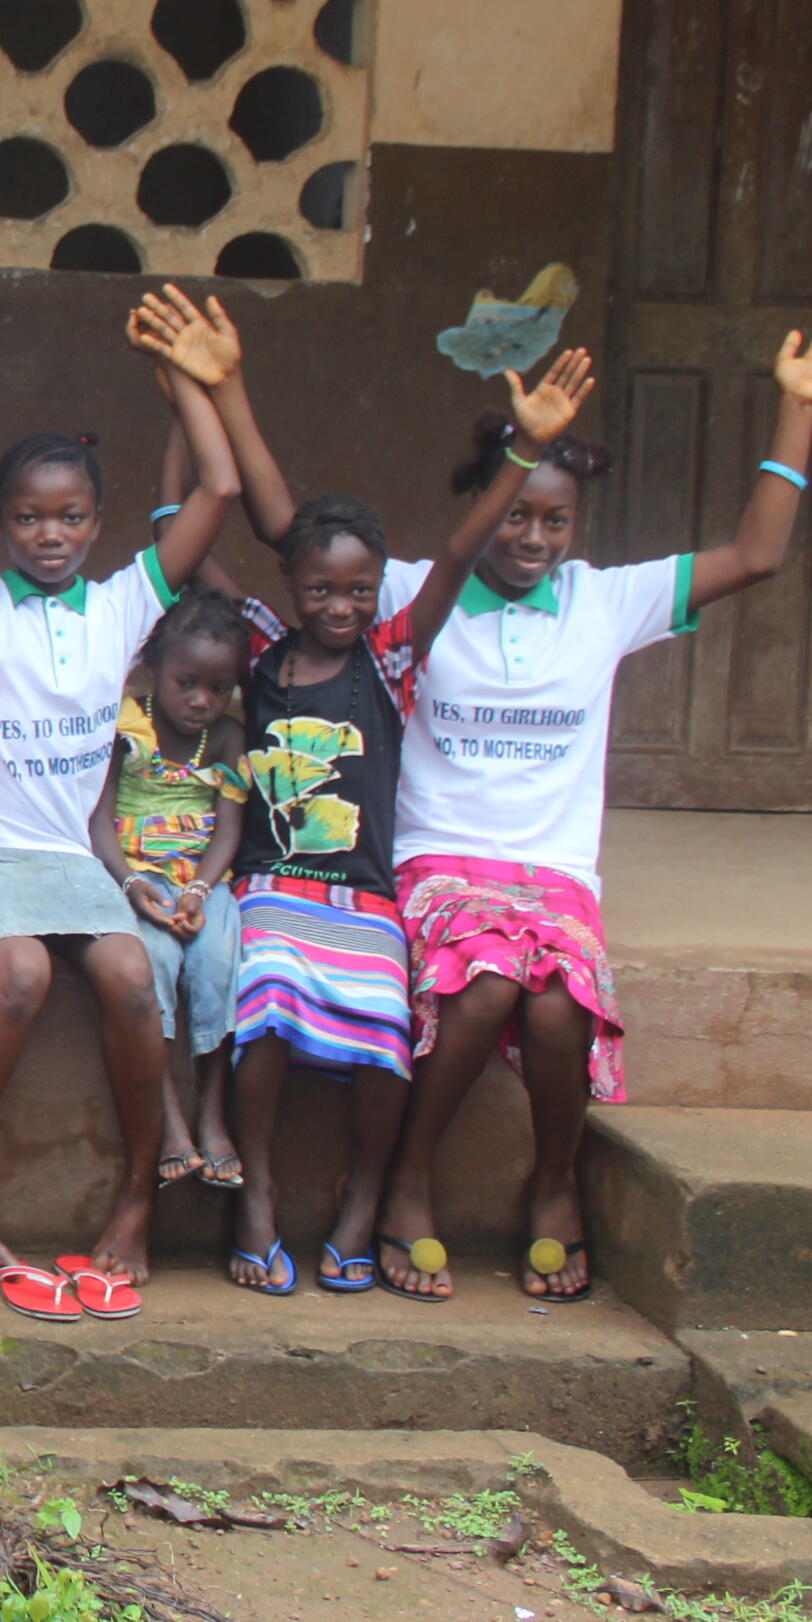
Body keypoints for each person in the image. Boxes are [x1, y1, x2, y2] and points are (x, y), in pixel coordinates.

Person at [370, 307, 812, 1302]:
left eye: (556, 521)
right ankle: (410, 1176)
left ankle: (554, 1183)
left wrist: (798, 408)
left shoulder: (604, 602)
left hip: (553, 876)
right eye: (516, 513)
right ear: (483, 505)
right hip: (442, 860)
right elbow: (279, 532)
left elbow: (757, 557)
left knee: (561, 1005)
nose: (534, 537)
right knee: (484, 986)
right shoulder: (410, 589)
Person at [205, 350, 597, 1298]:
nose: (340, 606)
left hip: (366, 898)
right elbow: (210, 533)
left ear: (380, 590)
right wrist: (201, 395)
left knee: (386, 1027)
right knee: (258, 1009)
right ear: (293, 588)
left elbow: (459, 552)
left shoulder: (387, 660)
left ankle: (364, 1199)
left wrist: (526, 448)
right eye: (320, 591)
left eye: (359, 591)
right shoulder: (262, 650)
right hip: (269, 889)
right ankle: (255, 1201)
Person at [0, 301, 243, 1313]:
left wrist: (183, 382)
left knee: (129, 976)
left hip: (73, 859)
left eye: (68, 518)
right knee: (14, 977)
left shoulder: (121, 605)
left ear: (98, 525)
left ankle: (136, 1203)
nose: (48, 534)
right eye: (27, 515)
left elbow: (221, 487)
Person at [89, 591, 254, 1195]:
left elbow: (229, 829)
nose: (201, 700)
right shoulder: (127, 726)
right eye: (186, 682)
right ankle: (168, 1117)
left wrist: (200, 893)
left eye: (219, 687)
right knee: (150, 964)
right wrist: (132, 886)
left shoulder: (230, 739)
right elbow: (98, 818)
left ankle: (211, 1111)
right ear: (154, 668)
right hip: (131, 876)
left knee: (215, 963)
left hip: (200, 884)